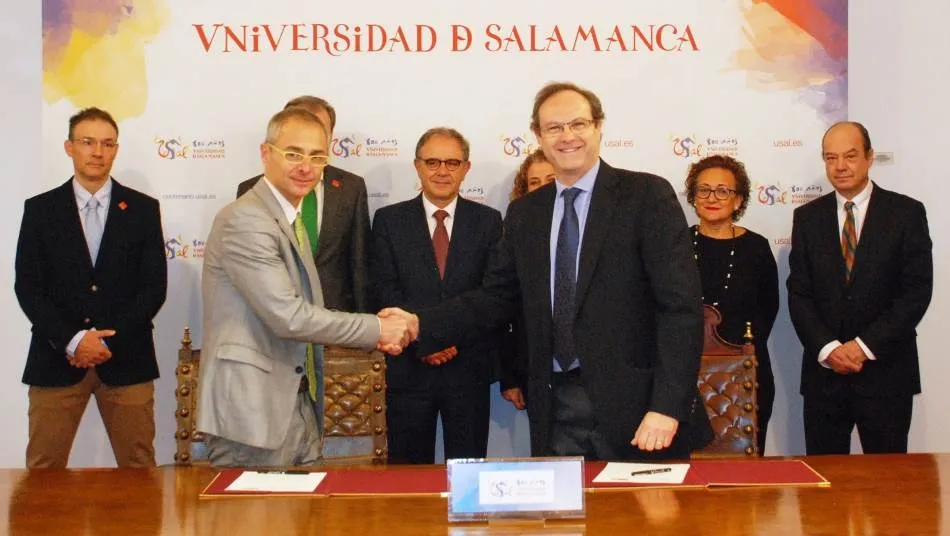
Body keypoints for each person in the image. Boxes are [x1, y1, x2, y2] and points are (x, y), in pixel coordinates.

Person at [413, 82, 712, 460]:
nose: (567, 136)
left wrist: (666, 407)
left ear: (598, 127)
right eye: (554, 128)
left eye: (578, 124)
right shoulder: (526, 214)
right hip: (555, 407)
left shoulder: (646, 196)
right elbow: (494, 298)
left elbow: (681, 310)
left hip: (640, 413)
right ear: (538, 135)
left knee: (644, 518)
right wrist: (417, 325)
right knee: (564, 519)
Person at [197, 108, 414, 467]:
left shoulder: (289, 217)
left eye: (317, 157)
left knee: (300, 521)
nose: (306, 167)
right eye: (293, 154)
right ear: (266, 153)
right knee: (257, 524)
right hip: (253, 417)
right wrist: (378, 328)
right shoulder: (247, 219)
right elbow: (290, 318)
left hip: (293, 404)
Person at [15, 107, 167, 468]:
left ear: (116, 149)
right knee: (43, 473)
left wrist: (104, 343)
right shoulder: (40, 210)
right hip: (55, 359)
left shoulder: (143, 210)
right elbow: (29, 288)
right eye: (87, 142)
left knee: (139, 473)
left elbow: (153, 288)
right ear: (70, 147)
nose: (97, 151)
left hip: (127, 360)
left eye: (107, 143)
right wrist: (74, 341)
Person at [787, 121, 933, 455]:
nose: (840, 166)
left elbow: (915, 292)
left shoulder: (906, 213)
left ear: (869, 157)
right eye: (830, 158)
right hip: (824, 376)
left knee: (888, 489)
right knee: (823, 489)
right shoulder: (807, 217)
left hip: (886, 373)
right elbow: (799, 293)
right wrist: (828, 349)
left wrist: (863, 347)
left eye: (850, 156)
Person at [372, 127, 503, 464]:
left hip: (468, 368)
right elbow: (385, 290)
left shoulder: (488, 222)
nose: (442, 171)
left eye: (452, 162)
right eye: (432, 162)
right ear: (417, 166)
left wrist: (446, 337)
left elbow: (491, 295)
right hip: (409, 368)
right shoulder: (389, 221)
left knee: (469, 475)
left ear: (466, 168)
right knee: (407, 477)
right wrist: (425, 342)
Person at [237, 96, 372, 313]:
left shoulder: (351, 188)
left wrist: (366, 328)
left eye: (318, 130)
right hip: (275, 318)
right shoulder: (251, 192)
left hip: (337, 323)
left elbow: (360, 266)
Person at [684, 154, 779, 454]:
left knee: (744, 476)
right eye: (704, 189)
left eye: (723, 191)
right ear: (693, 196)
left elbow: (768, 310)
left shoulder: (757, 248)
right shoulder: (674, 245)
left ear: (738, 200)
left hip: (746, 375)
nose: (713, 198)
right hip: (684, 377)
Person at [500, 149, 557, 411]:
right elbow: (505, 310)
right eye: (535, 182)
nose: (543, 188)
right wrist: (510, 377)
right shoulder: (516, 231)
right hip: (533, 369)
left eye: (550, 180)